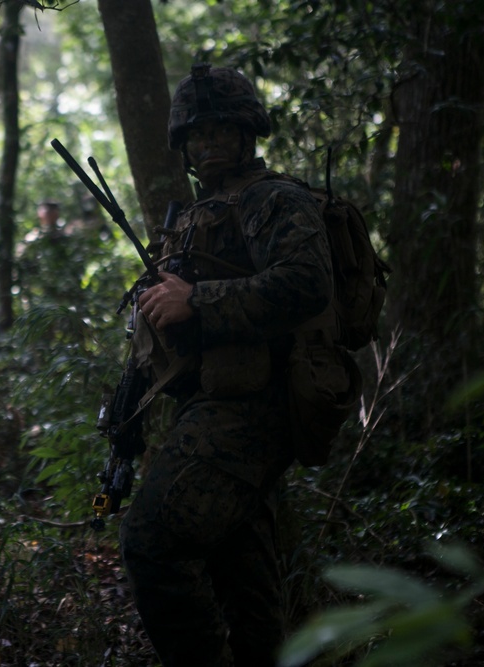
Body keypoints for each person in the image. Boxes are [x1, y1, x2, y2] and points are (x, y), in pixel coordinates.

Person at [116, 64, 334, 666]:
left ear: (247, 134)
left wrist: (197, 300)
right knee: (247, 585)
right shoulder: (198, 214)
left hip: (254, 406)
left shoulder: (273, 198)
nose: (207, 143)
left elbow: (307, 282)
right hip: (218, 400)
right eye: (196, 134)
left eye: (221, 130)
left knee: (151, 541)